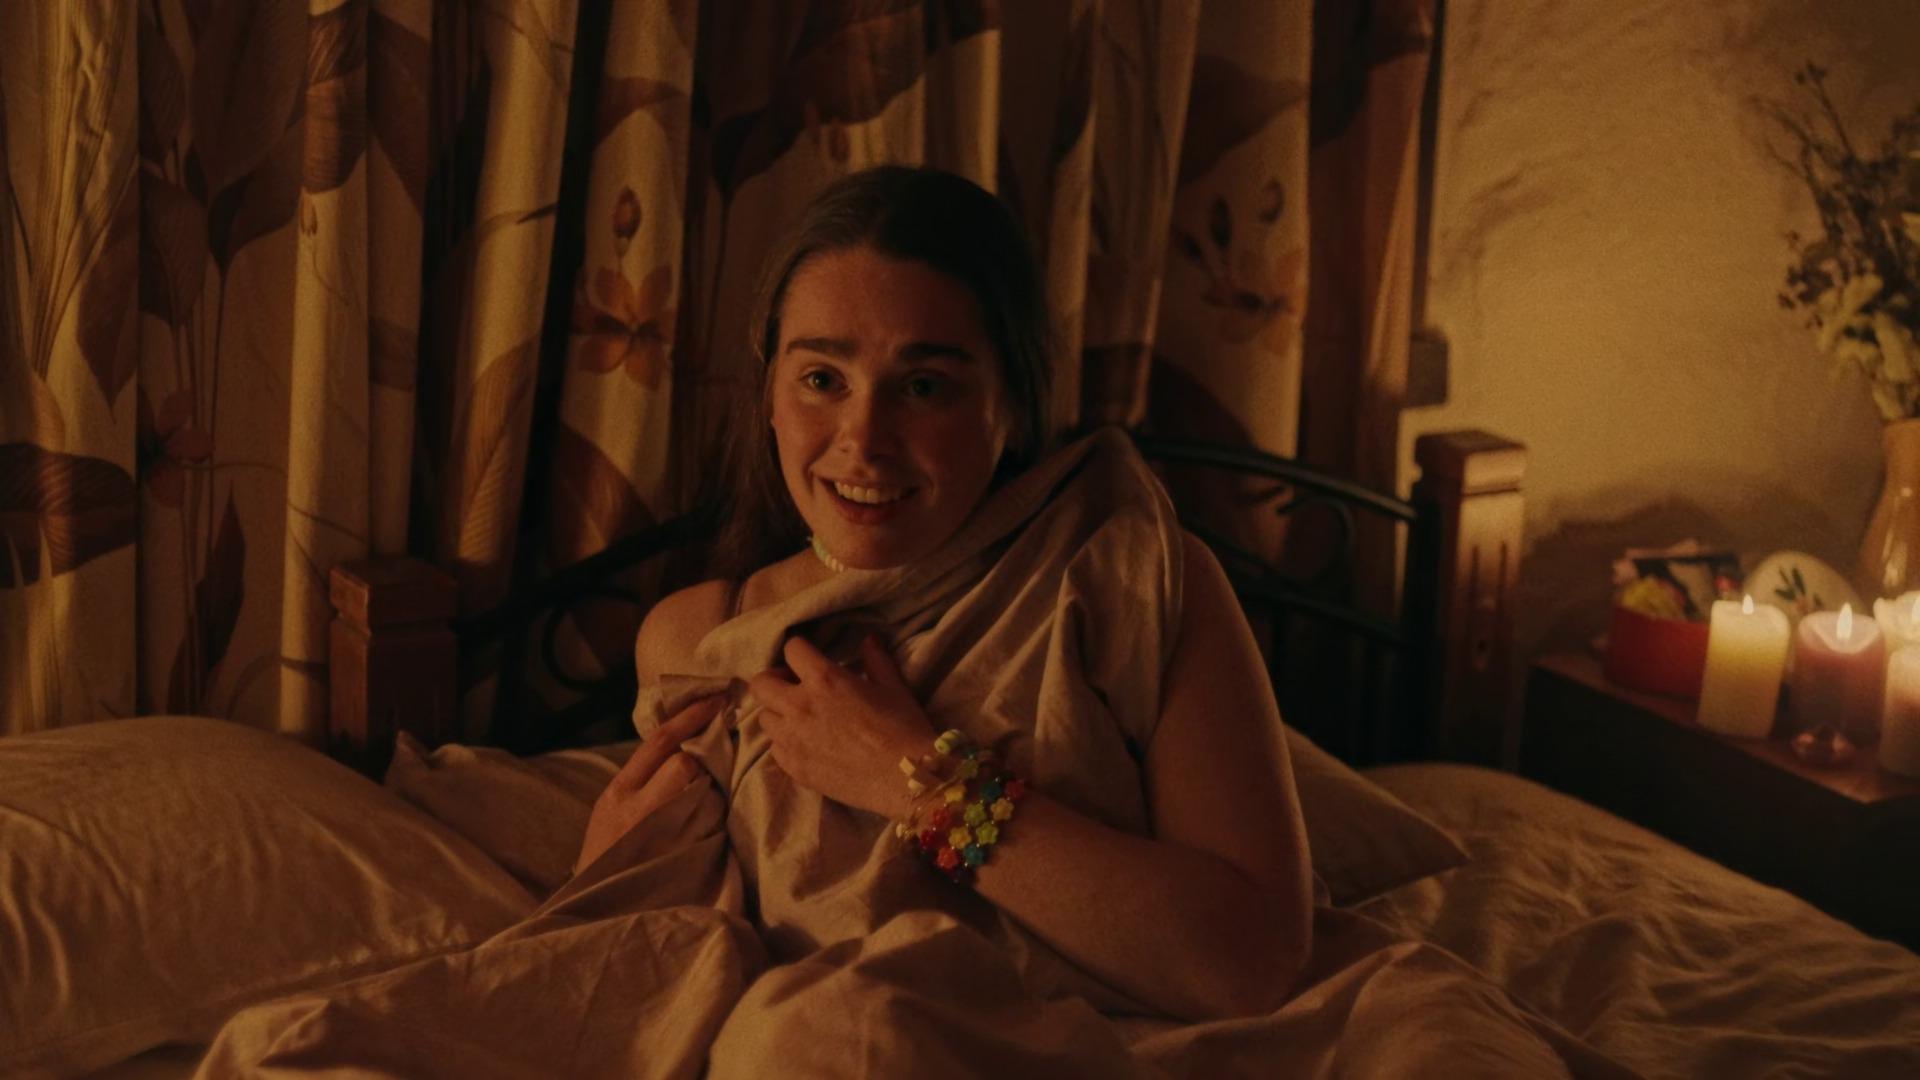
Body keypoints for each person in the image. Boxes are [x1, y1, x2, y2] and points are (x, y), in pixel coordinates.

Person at [577, 165, 1313, 1022]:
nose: (864, 440)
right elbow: (667, 965)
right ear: (769, 393)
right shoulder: (701, 641)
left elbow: (1249, 961)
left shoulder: (1132, 580)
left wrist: (922, 783)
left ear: (1013, 407)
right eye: (822, 379)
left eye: (924, 387)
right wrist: (604, 874)